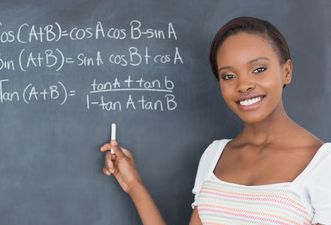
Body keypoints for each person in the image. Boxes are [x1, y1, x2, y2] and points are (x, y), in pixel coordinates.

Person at [100, 17, 331, 225]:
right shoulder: (215, 155)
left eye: (258, 69)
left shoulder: (323, 164)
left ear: (287, 71)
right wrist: (134, 186)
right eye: (229, 76)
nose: (243, 85)